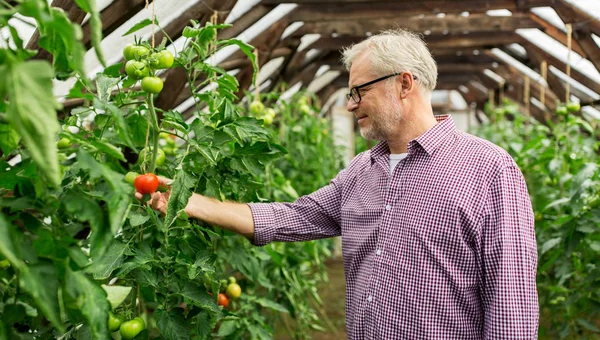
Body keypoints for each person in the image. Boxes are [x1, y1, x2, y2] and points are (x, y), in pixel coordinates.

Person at [137, 29, 539, 339]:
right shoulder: (361, 172)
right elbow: (290, 217)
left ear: (404, 84)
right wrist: (187, 202)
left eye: (358, 91)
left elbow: (512, 304)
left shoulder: (489, 170)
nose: (350, 104)